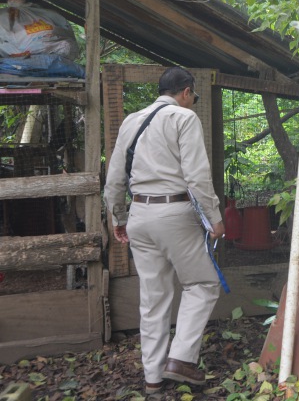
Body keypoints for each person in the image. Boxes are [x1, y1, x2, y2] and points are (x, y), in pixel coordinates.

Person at [104, 67, 225, 394]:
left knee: (153, 298)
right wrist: (214, 218)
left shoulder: (131, 121)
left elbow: (114, 177)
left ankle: (153, 378)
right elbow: (197, 177)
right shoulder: (184, 119)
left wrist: (118, 217)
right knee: (202, 284)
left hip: (139, 215)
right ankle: (182, 359)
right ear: (186, 91)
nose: (193, 103)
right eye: (195, 97)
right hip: (175, 213)